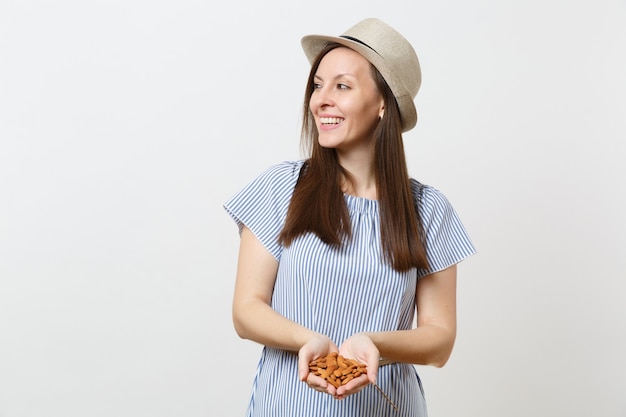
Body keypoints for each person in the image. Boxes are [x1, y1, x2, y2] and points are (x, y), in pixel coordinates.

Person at [223, 17, 476, 417]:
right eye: (318, 85)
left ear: (382, 104)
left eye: (341, 85)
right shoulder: (280, 188)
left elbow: (440, 339)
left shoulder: (429, 210)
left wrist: (375, 344)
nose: (321, 99)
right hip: (288, 406)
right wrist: (308, 340)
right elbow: (246, 309)